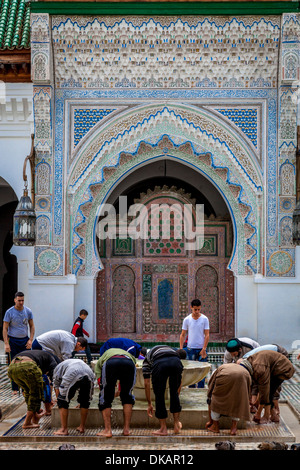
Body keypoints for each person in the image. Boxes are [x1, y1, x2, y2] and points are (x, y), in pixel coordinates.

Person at [7, 349, 59, 429]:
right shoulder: (54, 363)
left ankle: (35, 416)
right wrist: (59, 400)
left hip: (12, 367)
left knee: (28, 392)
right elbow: (56, 383)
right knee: (36, 393)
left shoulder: (43, 356)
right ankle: (27, 423)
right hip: (27, 365)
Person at [241, 350, 295, 424]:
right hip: (276, 367)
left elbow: (264, 389)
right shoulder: (250, 361)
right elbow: (257, 384)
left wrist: (258, 412)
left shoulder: (259, 368)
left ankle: (266, 416)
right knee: (268, 393)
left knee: (269, 393)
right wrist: (256, 401)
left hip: (284, 369)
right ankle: (274, 416)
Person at [142, 345, 187, 436]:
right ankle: (176, 425)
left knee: (159, 395)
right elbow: (180, 382)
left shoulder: (147, 359)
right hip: (176, 361)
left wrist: (149, 404)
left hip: (160, 364)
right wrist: (176, 396)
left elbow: (147, 383)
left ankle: (163, 429)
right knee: (174, 393)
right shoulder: (171, 349)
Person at [94, 347, 137, 437]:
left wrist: (104, 388)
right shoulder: (127, 354)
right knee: (127, 396)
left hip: (111, 363)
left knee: (106, 397)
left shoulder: (104, 356)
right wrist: (121, 389)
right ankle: (126, 430)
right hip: (129, 363)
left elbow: (100, 379)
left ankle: (108, 430)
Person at [205, 360, 252, 436]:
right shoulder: (247, 373)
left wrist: (209, 395)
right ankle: (233, 428)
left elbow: (211, 383)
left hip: (223, 376)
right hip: (241, 378)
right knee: (238, 401)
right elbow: (247, 392)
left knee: (216, 399)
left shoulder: (225, 366)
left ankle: (215, 426)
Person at [2, 292, 35, 393]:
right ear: (15, 300)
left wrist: (30, 340)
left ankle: (26, 387)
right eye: (19, 300)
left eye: (22, 300)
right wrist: (6, 343)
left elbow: (32, 326)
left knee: (26, 363)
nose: (21, 302)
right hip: (13, 340)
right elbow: (5, 328)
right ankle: (15, 388)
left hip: (24, 340)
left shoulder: (28, 311)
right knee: (14, 364)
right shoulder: (9, 312)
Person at [53, 358, 95, 435]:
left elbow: (57, 387)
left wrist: (60, 401)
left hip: (73, 372)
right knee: (85, 401)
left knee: (62, 401)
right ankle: (82, 427)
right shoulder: (66, 363)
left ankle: (64, 429)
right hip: (88, 371)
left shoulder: (57, 369)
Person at [179, 298, 209, 388]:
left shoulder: (204, 319)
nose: (197, 311)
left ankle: (200, 389)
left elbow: (207, 335)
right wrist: (181, 349)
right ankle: (191, 390)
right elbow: (183, 334)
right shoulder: (187, 320)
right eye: (195, 309)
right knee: (190, 372)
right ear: (191, 307)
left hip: (201, 348)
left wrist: (204, 349)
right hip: (190, 348)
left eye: (199, 309)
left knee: (202, 371)